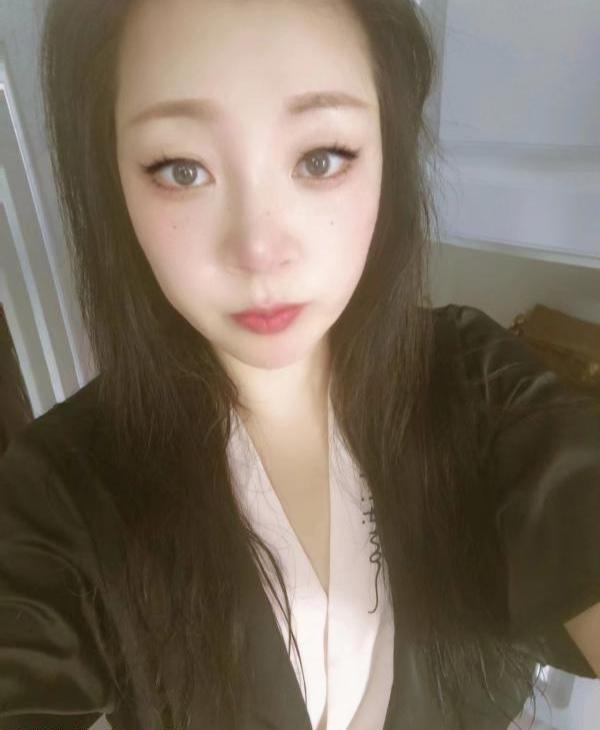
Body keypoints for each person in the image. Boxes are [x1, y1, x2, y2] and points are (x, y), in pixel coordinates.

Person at [0, 1, 599, 729]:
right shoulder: (58, 490)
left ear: (388, 149)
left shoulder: (475, 380)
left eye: (321, 158)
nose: (260, 251)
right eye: (181, 169)